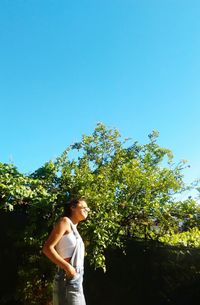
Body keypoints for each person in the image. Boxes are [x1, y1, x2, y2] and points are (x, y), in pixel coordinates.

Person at [42, 197, 90, 305]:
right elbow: (47, 248)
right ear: (73, 207)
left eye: (88, 208)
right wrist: (68, 268)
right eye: (84, 207)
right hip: (67, 277)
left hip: (76, 277)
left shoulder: (75, 229)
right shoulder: (65, 221)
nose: (87, 210)